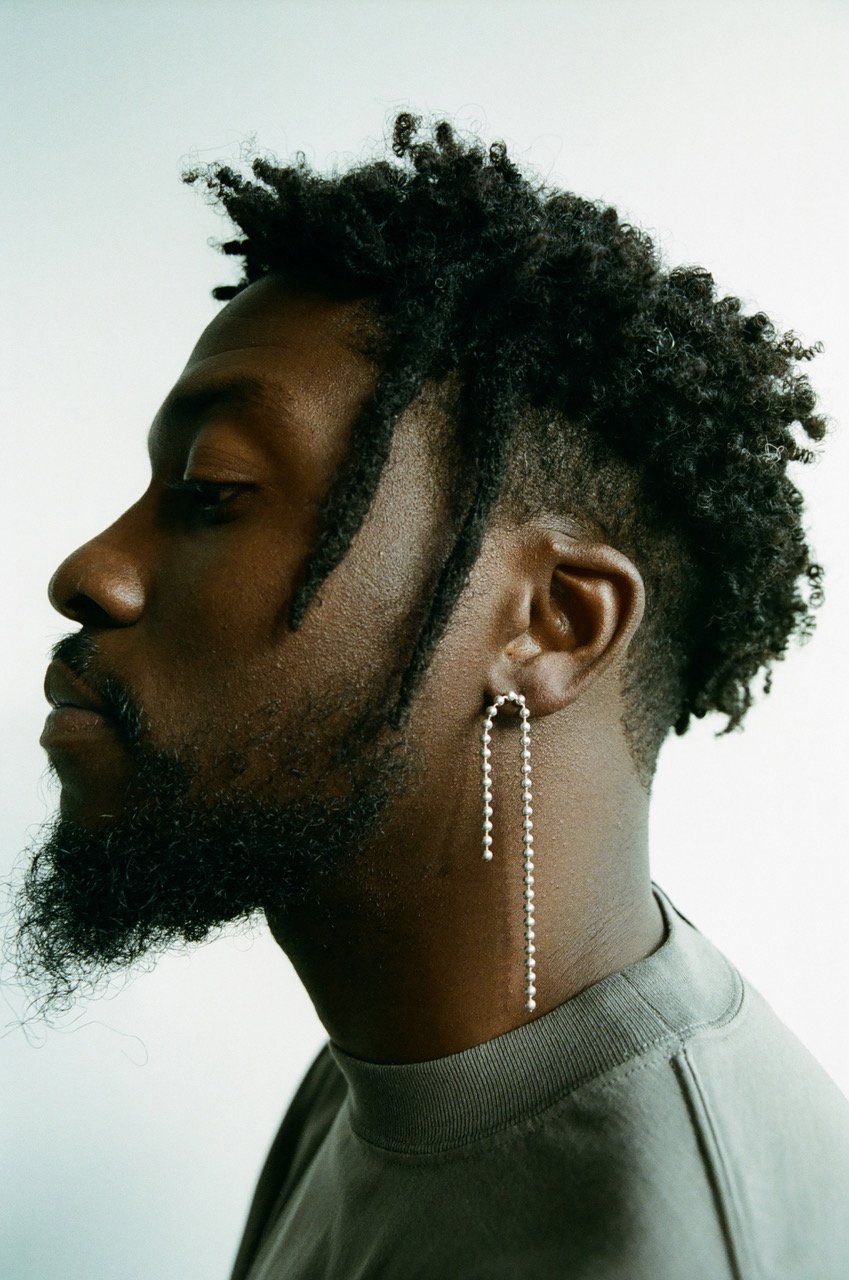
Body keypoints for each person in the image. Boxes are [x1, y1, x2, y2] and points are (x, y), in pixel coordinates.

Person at [12, 113, 849, 1278]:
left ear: (551, 623)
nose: (89, 570)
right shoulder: (388, 1064)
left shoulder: (665, 1248)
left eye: (214, 489)